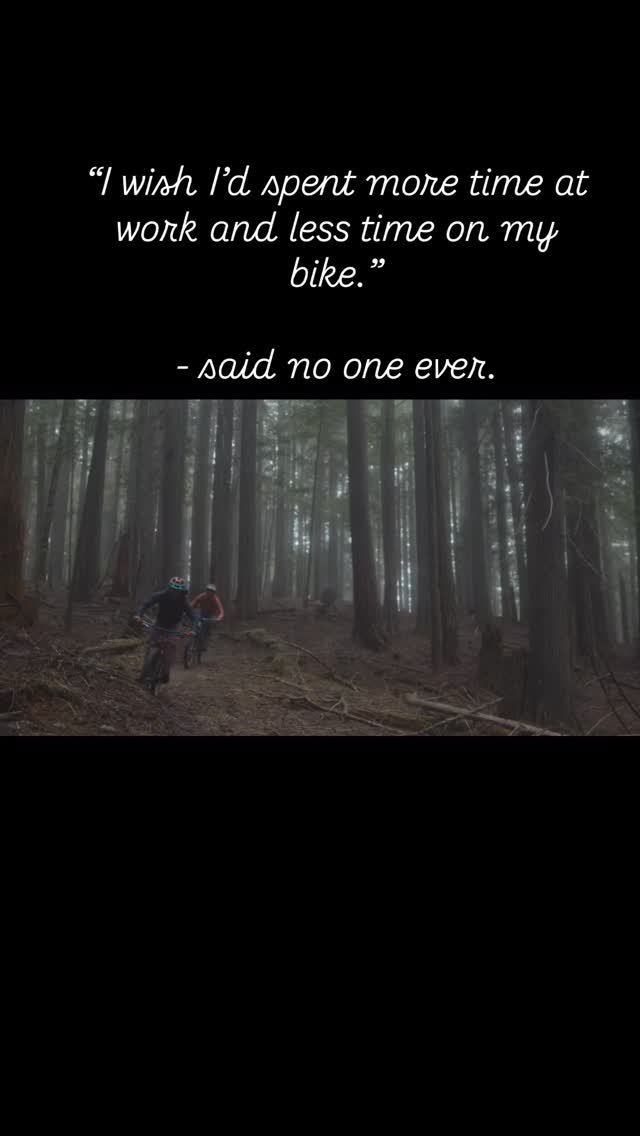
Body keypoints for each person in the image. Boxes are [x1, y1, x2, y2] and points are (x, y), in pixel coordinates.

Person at [134, 577, 199, 683]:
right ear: (169, 588)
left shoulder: (183, 601)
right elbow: (146, 604)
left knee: (170, 646)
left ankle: (166, 671)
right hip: (160, 623)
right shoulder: (161, 595)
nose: (175, 593)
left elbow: (193, 616)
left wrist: (194, 629)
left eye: (177, 591)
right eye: (173, 590)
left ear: (181, 591)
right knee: (152, 646)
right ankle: (144, 673)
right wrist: (139, 615)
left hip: (174, 625)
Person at [191, 584, 225, 650]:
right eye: (208, 591)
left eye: (211, 592)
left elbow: (221, 611)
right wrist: (188, 611)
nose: (209, 593)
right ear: (206, 591)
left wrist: (218, 618)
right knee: (196, 621)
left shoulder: (215, 599)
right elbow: (192, 604)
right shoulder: (201, 596)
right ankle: (193, 634)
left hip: (210, 614)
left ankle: (205, 641)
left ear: (214, 593)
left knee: (206, 626)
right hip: (202, 612)